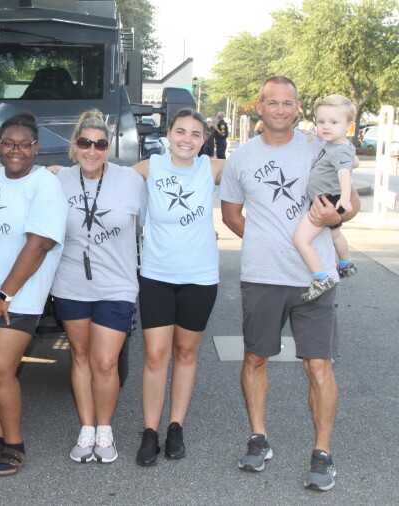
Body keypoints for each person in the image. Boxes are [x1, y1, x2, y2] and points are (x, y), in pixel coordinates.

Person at [219, 76, 360, 492]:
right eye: (272, 102)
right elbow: (230, 214)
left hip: (314, 277)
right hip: (262, 276)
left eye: (288, 103)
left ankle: (322, 452)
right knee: (255, 358)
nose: (280, 109)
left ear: (298, 108)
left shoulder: (323, 147)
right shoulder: (241, 158)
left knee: (318, 364)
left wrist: (337, 218)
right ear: (258, 107)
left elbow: (350, 204)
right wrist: (269, 243)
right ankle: (258, 438)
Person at [0, 112, 67, 476]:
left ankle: (14, 444)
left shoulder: (44, 185)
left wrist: (5, 294)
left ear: (36, 148)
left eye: (25, 145)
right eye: (8, 144)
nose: (16, 151)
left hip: (17, 296)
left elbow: (39, 244)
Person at [50, 109, 146, 464]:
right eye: (85, 143)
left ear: (109, 147)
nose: (92, 150)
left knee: (105, 361)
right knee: (80, 356)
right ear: (75, 146)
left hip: (116, 285)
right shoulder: (59, 181)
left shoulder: (129, 181)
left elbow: (148, 225)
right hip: (71, 284)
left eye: (100, 144)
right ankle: (86, 427)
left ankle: (105, 430)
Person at [132, 109, 225, 466]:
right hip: (156, 275)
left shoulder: (211, 169)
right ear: (168, 134)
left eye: (196, 134)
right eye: (180, 131)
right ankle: (150, 430)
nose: (187, 139)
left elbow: (259, 161)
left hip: (200, 278)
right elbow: (99, 174)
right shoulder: (150, 167)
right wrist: (53, 170)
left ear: (205, 139)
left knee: (186, 353)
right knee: (156, 355)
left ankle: (175, 427)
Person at [292, 95, 358, 301]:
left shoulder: (339, 150)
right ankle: (346, 263)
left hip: (326, 201)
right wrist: (310, 134)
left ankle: (321, 278)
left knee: (301, 240)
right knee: (334, 235)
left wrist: (345, 198)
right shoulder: (339, 145)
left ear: (349, 126)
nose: (325, 127)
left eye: (333, 122)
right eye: (321, 122)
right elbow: (353, 162)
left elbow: (344, 173)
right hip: (329, 198)